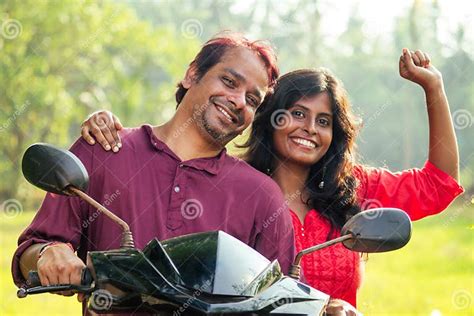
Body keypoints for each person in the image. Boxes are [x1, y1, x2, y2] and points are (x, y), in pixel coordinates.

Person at [81, 48, 464, 313]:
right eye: (297, 113)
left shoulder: (355, 188)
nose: (309, 129)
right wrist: (108, 124)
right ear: (270, 116)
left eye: (324, 121)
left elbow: (439, 185)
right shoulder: (231, 188)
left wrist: (434, 88)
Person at [11, 33, 297, 315]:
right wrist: (49, 254)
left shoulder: (262, 196)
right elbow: (30, 253)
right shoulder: (104, 149)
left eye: (252, 99)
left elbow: (286, 302)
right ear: (192, 74)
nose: (238, 101)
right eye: (229, 81)